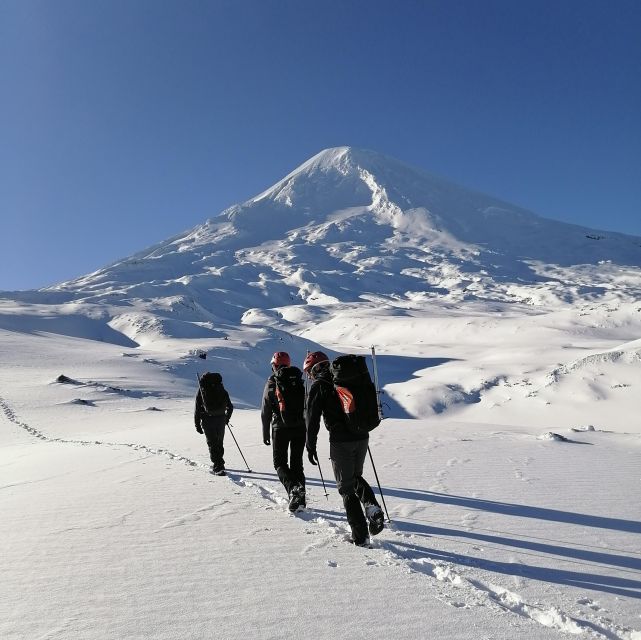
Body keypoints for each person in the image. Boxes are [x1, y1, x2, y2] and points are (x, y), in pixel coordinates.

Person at [304, 351, 384, 546]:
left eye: (309, 372)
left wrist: (310, 445)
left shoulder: (319, 386)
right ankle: (372, 508)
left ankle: (360, 535)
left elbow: (312, 419)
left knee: (346, 488)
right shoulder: (347, 377)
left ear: (314, 370)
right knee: (356, 477)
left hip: (341, 442)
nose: (310, 376)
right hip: (362, 436)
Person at [261, 351, 307, 511]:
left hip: (280, 428)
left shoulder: (271, 383)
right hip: (300, 427)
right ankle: (301, 499)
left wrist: (265, 433)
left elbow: (265, 411)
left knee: (280, 463)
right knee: (297, 465)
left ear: (274, 365)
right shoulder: (298, 380)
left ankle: (294, 490)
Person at [195, 372, 234, 476]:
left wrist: (197, 424)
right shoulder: (222, 389)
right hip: (221, 419)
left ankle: (218, 466)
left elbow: (197, 408)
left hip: (208, 420)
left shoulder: (202, 389)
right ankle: (220, 462)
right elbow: (230, 406)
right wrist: (227, 418)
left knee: (212, 443)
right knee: (219, 442)